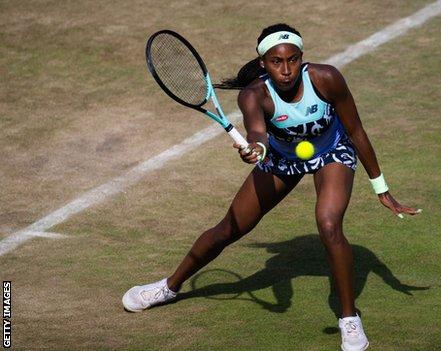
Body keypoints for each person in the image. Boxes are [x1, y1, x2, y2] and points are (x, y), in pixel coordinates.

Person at [123, 23, 420, 351]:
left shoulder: (326, 79)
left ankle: (349, 318)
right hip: (280, 159)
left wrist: (381, 188)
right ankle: (169, 286)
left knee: (329, 224)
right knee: (228, 228)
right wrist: (257, 151)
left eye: (293, 60)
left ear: (302, 58)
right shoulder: (253, 95)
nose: (286, 69)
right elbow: (258, 135)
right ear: (263, 62)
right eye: (276, 62)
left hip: (331, 151)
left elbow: (357, 131)